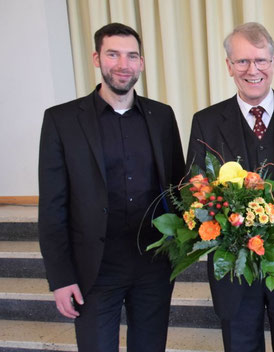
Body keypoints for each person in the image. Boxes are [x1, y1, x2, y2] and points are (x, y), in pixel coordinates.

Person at [38, 23, 185, 351]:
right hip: (94, 267)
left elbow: (178, 188)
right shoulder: (62, 120)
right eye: (113, 54)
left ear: (142, 63)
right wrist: (60, 278)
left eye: (132, 56)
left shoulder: (162, 117)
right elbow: (52, 207)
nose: (123, 64)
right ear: (96, 58)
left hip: (153, 263)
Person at [186, 22, 274, 352]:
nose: (253, 70)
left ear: (273, 63)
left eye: (261, 60)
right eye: (243, 61)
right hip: (233, 268)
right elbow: (196, 190)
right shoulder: (206, 121)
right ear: (229, 66)